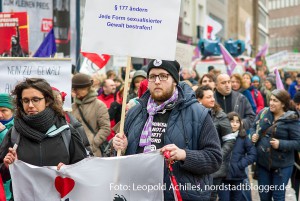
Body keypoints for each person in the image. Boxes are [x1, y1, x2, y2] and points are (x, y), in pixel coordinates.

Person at [113, 59, 222, 201]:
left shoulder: (198, 113)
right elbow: (119, 155)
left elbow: (214, 159)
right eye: (152, 76)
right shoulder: (136, 112)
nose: (157, 81)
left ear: (175, 80)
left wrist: (183, 155)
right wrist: (119, 146)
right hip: (138, 193)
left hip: (177, 194)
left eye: (163, 76)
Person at [0, 78, 87, 199]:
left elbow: (84, 169)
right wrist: (6, 166)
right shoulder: (14, 133)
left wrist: (69, 170)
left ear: (47, 101)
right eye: (25, 100)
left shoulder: (67, 132)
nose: (30, 105)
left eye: (36, 100)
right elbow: (3, 176)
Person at [251, 89, 300, 201]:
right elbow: (253, 127)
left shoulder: (292, 119)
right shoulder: (263, 112)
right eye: (271, 100)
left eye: (275, 101)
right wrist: (253, 135)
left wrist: (281, 144)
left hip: (282, 166)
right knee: (264, 196)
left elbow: (298, 142)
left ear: (283, 103)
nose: (271, 103)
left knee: (278, 197)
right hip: (263, 164)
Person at [195, 85, 233, 201]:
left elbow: (230, 140)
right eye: (208, 97)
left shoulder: (220, 116)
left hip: (215, 168)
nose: (213, 99)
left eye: (213, 97)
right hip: (197, 164)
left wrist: (217, 155)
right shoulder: (194, 115)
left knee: (210, 196)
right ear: (199, 100)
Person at [218, 112, 256, 201]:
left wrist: (240, 164)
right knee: (224, 199)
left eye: (237, 122)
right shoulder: (221, 137)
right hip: (223, 176)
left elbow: (253, 154)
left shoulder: (243, 138)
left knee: (237, 198)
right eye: (231, 121)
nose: (234, 124)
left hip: (237, 176)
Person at [71, 73, 110, 157]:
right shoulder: (72, 107)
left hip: (92, 153)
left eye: (77, 89)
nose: (75, 91)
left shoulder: (99, 105)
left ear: (87, 88)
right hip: (75, 153)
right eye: (74, 89)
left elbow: (105, 128)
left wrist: (93, 144)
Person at [52, 87, 91, 154]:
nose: (58, 105)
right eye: (54, 101)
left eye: (59, 101)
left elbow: (84, 144)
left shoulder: (70, 119)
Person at [0, 94, 14, 201]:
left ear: (12, 111)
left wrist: (3, 132)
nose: (0, 115)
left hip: (8, 187)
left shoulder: (18, 128)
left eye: (4, 110)